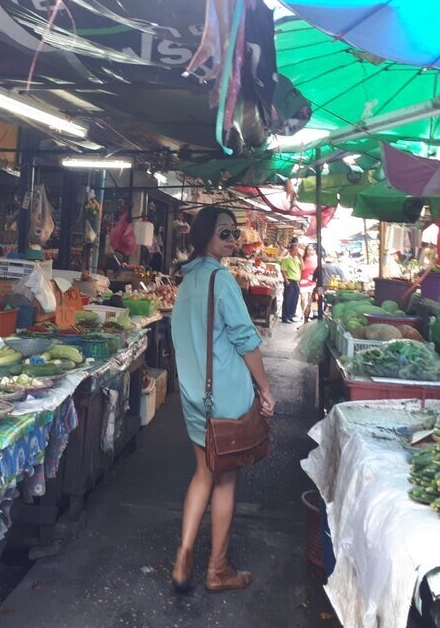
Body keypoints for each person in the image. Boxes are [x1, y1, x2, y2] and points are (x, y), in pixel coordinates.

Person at [170, 206, 276, 594]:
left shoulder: (188, 281)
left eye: (234, 233)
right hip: (226, 398)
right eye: (225, 234)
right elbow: (246, 341)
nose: (233, 240)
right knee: (226, 481)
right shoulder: (221, 280)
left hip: (195, 395)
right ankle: (218, 570)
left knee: (203, 473)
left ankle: (184, 554)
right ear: (205, 238)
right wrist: (264, 388)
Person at [279, 240, 302, 323]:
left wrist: (300, 258)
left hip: (296, 281)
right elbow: (283, 270)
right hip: (290, 281)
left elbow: (302, 268)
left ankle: (291, 316)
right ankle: (285, 317)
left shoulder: (297, 259)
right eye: (295, 250)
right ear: (290, 250)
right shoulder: (286, 259)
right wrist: (286, 281)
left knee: (294, 300)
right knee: (288, 300)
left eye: (297, 250)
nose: (296, 252)